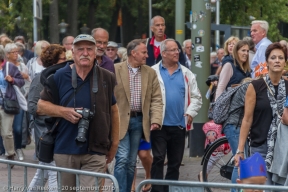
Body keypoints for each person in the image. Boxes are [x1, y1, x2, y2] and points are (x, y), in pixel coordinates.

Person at [37, 34, 119, 190]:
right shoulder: (59, 76)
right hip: (65, 147)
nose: (85, 53)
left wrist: (114, 143)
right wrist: (64, 111)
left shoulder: (107, 77)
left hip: (96, 148)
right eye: (80, 49)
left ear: (95, 53)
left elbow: (114, 110)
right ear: (73, 53)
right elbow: (41, 106)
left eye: (89, 49)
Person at [151, 39, 202, 192]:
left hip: (179, 125)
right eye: (172, 50)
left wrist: (190, 112)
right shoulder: (153, 72)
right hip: (159, 124)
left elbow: (197, 98)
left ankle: (170, 189)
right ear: (163, 53)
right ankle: (157, 189)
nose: (176, 52)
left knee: (175, 162)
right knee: (158, 158)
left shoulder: (187, 73)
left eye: (177, 50)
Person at [113, 39, 163, 192]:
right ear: (133, 53)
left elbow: (157, 99)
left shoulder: (150, 72)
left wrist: (155, 120)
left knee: (131, 161)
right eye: (144, 52)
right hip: (119, 121)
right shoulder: (115, 69)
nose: (147, 55)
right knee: (121, 159)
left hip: (139, 121)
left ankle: (126, 189)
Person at [236, 43, 287, 186]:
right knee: (263, 189)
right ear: (267, 62)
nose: (277, 60)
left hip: (283, 149)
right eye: (273, 57)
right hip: (260, 147)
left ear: (285, 62)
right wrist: (240, 150)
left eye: (281, 58)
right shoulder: (255, 86)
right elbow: (247, 119)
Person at [27, 44, 66, 192]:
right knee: (53, 173)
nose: (66, 61)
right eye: (62, 58)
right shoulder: (40, 79)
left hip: (56, 131)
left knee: (42, 173)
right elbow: (32, 107)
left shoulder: (61, 77)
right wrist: (57, 111)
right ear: (53, 61)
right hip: (46, 133)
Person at [4, 43, 30, 161]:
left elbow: (24, 82)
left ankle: (18, 148)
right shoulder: (4, 66)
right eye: (13, 52)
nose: (16, 54)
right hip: (7, 100)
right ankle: (8, 150)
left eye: (17, 52)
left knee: (18, 128)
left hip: (19, 99)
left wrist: (15, 79)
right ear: (7, 54)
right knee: (6, 129)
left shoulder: (21, 66)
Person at [0, 44, 25, 164]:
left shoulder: (10, 67)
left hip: (6, 103)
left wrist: (12, 80)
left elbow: (21, 82)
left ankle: (10, 154)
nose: (16, 54)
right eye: (13, 52)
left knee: (6, 132)